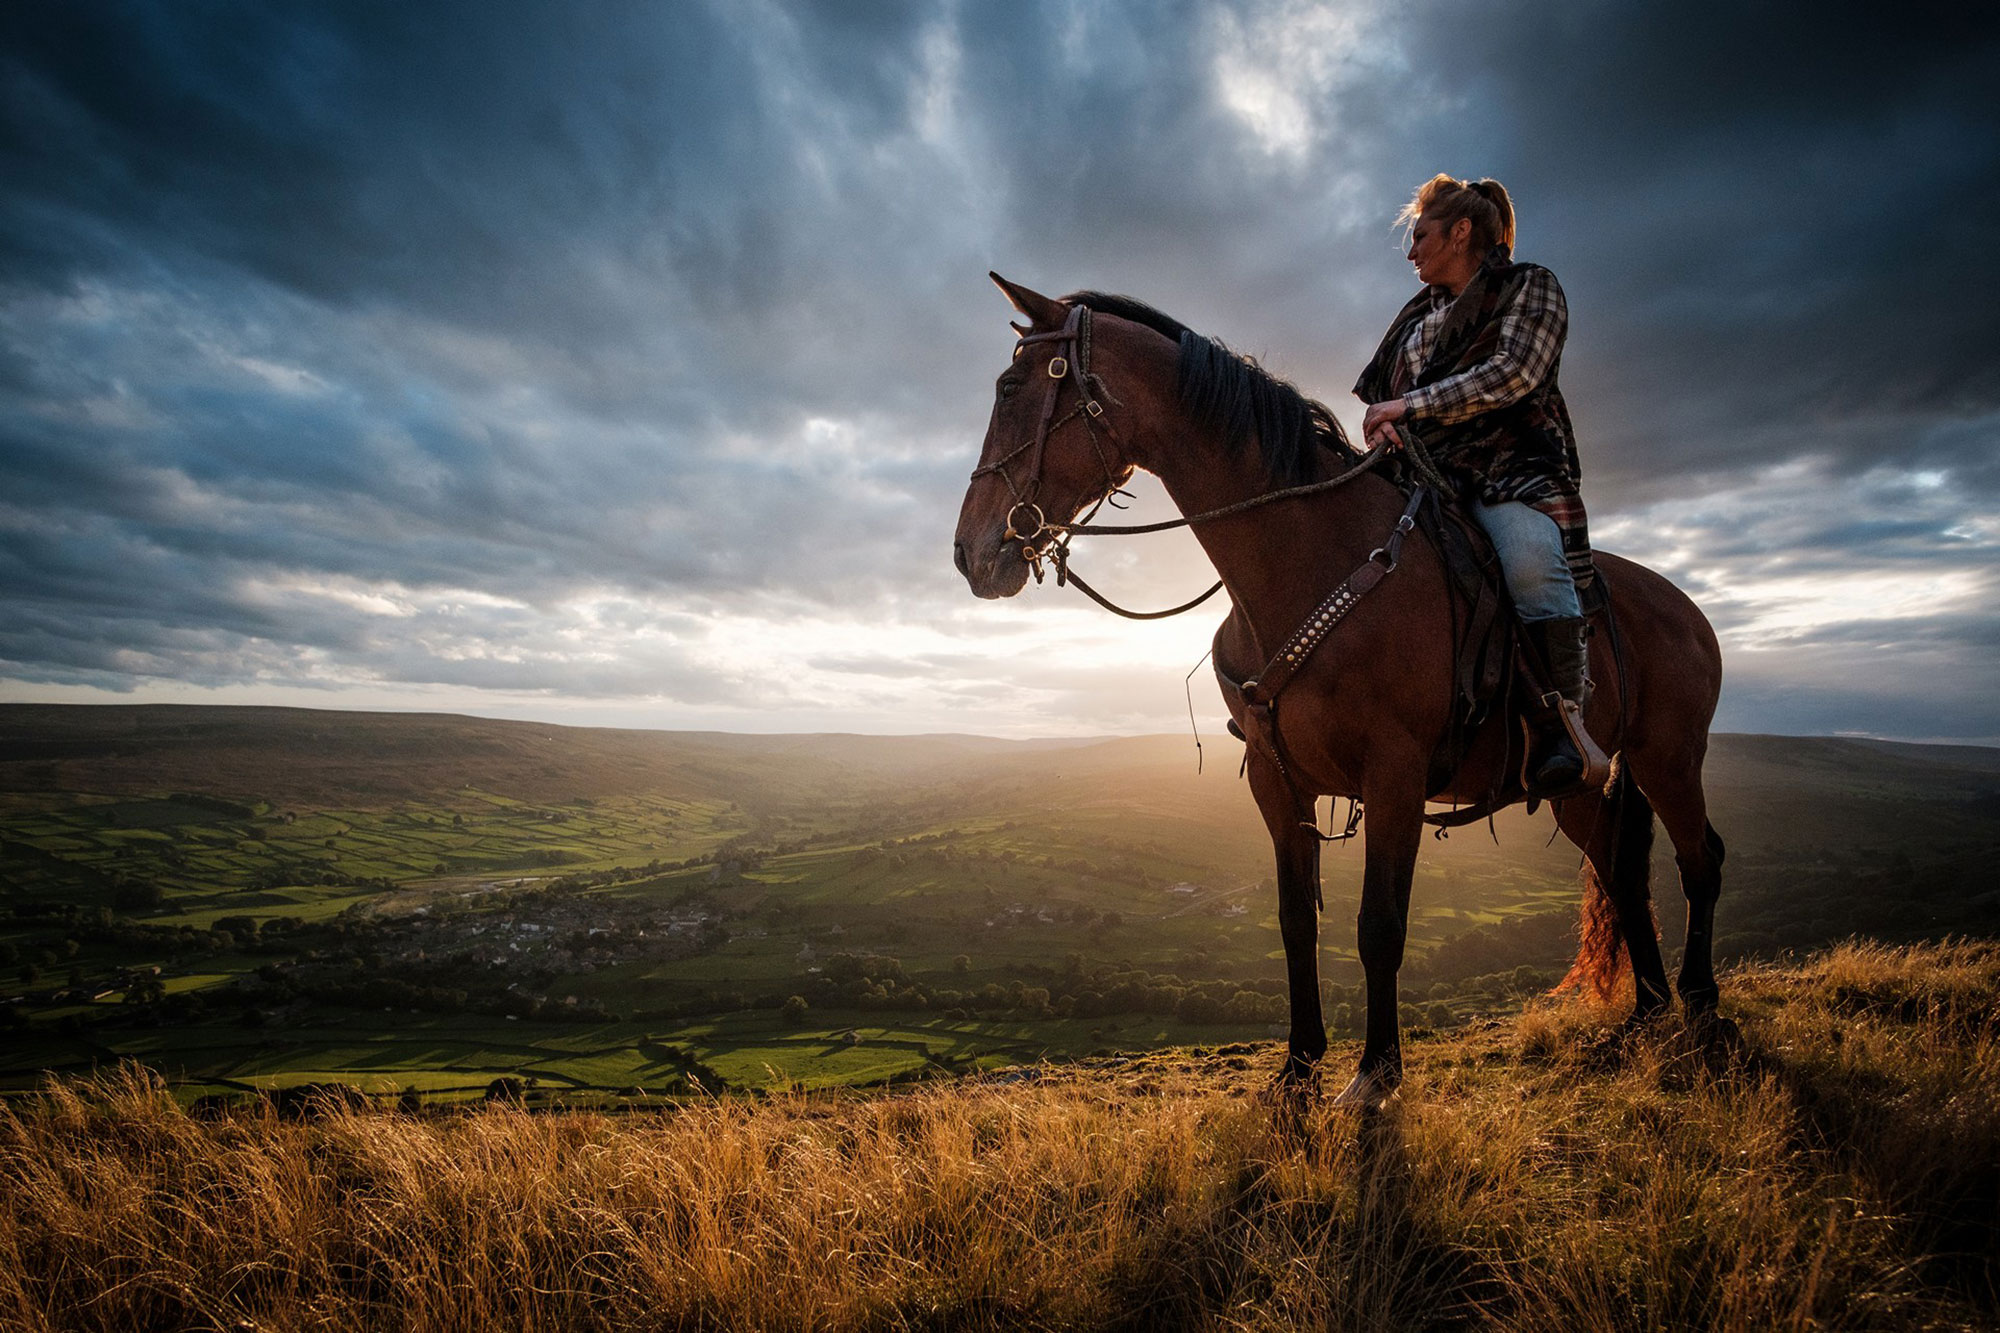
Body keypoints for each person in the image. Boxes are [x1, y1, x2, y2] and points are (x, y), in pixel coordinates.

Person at [1352, 174, 1604, 794]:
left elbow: (1513, 373)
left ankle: (1561, 728)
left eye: (1420, 235)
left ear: (1461, 231)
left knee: (1527, 560)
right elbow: (1389, 399)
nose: (1410, 251)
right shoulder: (1416, 317)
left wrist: (1409, 408)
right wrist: (1387, 425)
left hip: (1509, 471)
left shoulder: (1531, 287)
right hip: (1421, 474)